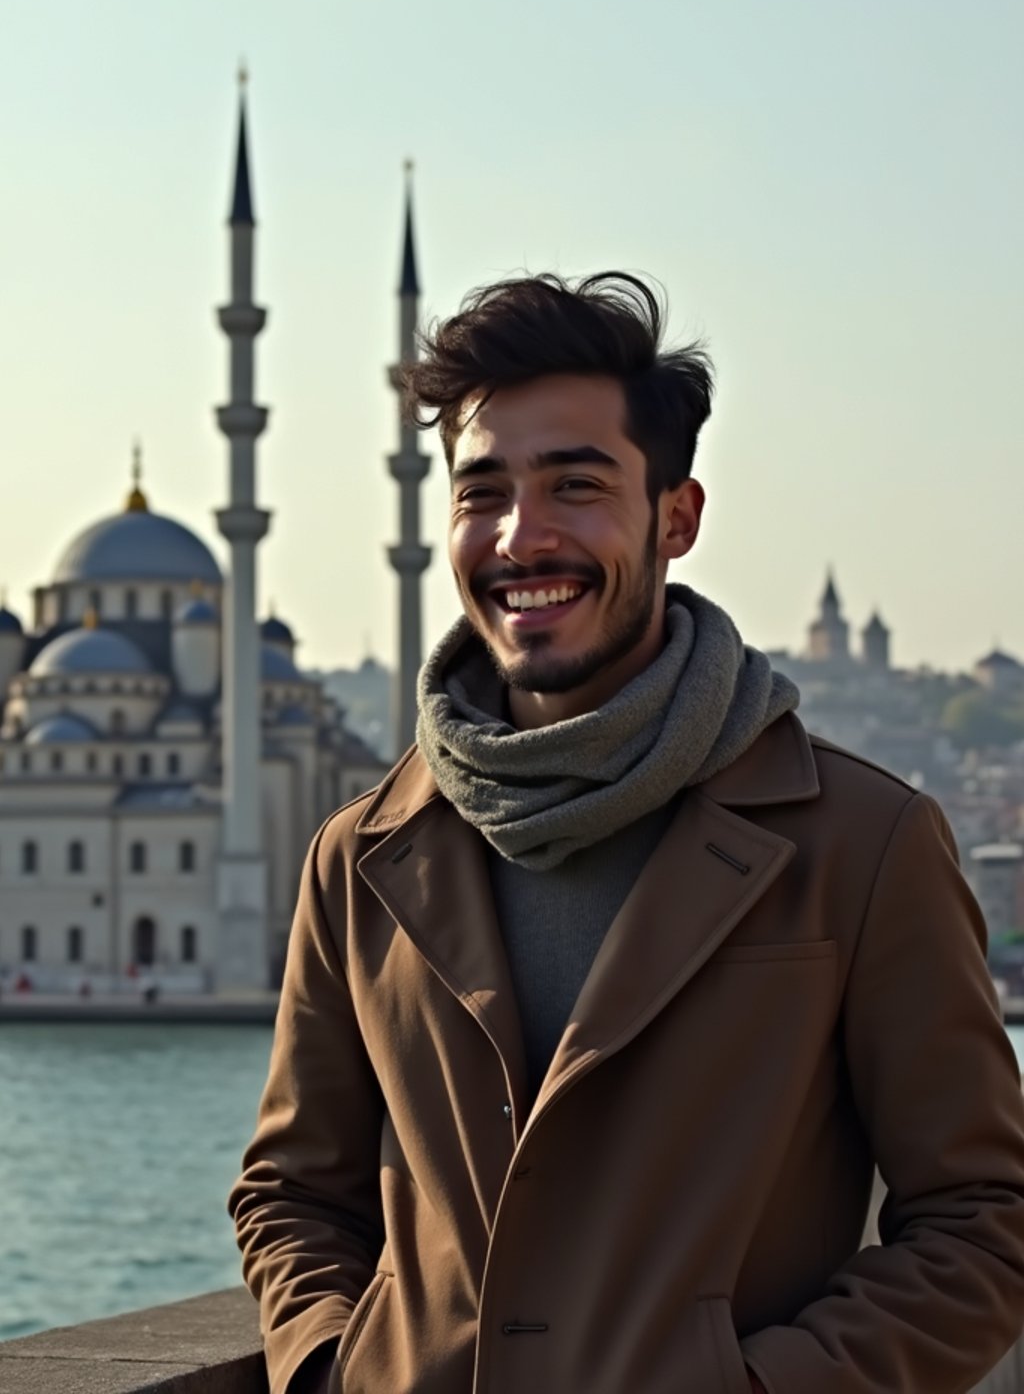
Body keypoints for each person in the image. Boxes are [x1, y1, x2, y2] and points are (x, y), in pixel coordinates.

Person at [230, 273, 1024, 1394]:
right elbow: (293, 1193)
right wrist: (333, 1370)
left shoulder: (860, 842)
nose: (521, 535)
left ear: (676, 517)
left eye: (576, 484)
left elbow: (985, 1222)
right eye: (482, 489)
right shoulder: (362, 856)